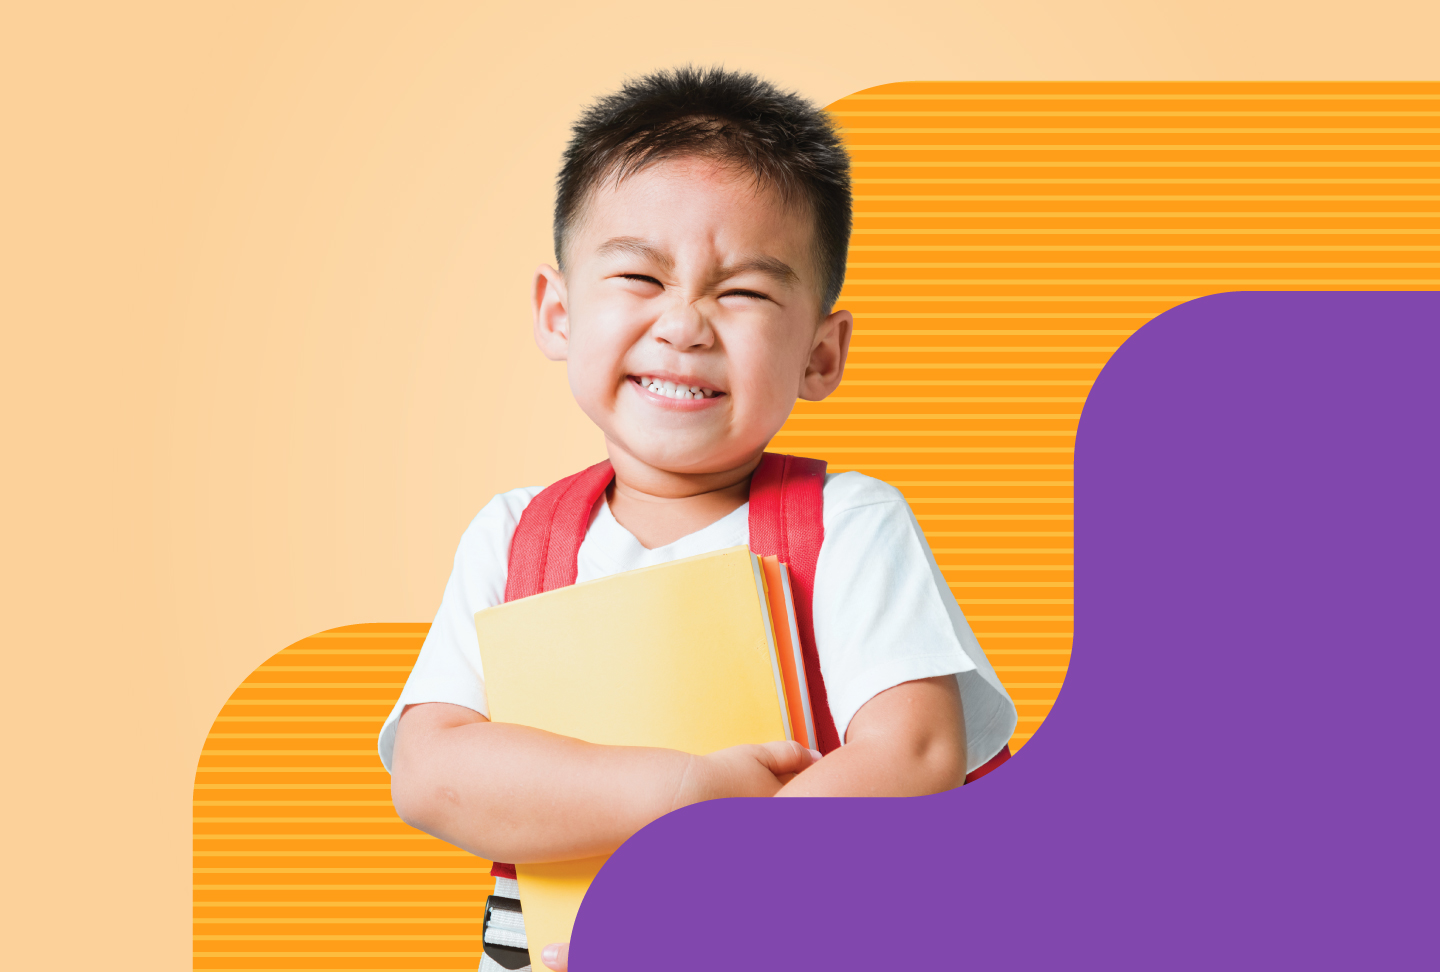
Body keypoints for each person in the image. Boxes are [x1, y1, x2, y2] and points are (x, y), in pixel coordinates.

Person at [378, 66, 1017, 971]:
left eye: (746, 292)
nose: (685, 325)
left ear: (821, 354)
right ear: (559, 313)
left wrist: (708, 887)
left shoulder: (848, 524)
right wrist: (681, 791)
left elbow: (915, 751)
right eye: (640, 275)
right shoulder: (514, 535)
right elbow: (433, 772)